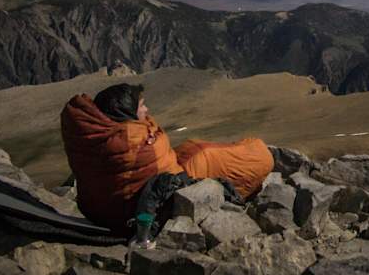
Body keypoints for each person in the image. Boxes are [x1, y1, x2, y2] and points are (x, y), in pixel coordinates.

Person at [60, 82, 274, 234]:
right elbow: (155, 156)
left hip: (99, 214)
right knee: (248, 155)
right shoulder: (132, 141)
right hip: (147, 208)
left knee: (194, 148)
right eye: (142, 106)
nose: (147, 110)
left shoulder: (95, 140)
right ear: (125, 112)